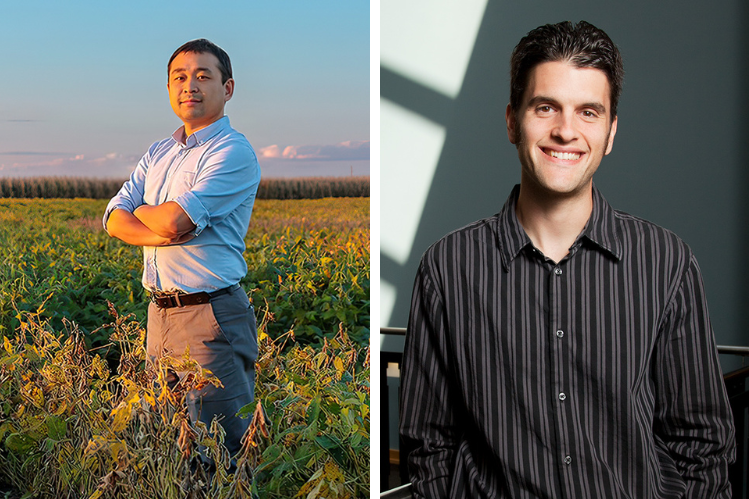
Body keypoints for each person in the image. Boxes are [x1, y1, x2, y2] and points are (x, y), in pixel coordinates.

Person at [400, 21, 735, 498]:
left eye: (589, 112)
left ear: (611, 131)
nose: (565, 131)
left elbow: (702, 444)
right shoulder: (447, 268)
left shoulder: (666, 263)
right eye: (546, 107)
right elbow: (428, 446)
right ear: (513, 120)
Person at [103, 38, 261, 461]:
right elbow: (114, 217)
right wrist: (163, 229)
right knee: (171, 447)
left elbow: (175, 220)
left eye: (203, 76)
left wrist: (152, 216)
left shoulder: (232, 151)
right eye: (179, 77)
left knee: (220, 451)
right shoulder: (160, 151)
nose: (189, 85)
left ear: (227, 89)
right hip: (159, 314)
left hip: (209, 319)